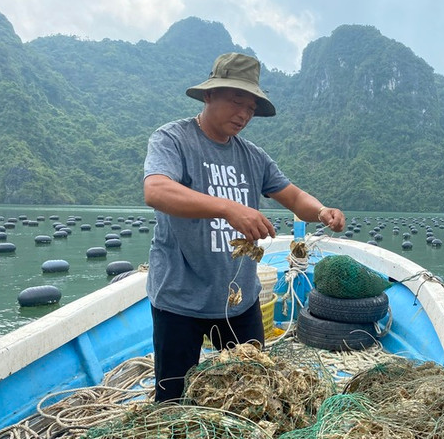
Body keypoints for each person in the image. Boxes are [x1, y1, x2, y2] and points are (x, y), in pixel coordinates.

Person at [143, 52, 345, 402]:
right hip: (179, 298)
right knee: (173, 401)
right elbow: (156, 190)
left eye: (251, 108)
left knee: (253, 395)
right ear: (209, 95)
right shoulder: (173, 139)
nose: (244, 114)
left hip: (239, 299)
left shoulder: (253, 156)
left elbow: (295, 197)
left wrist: (323, 211)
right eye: (236, 101)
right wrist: (228, 208)